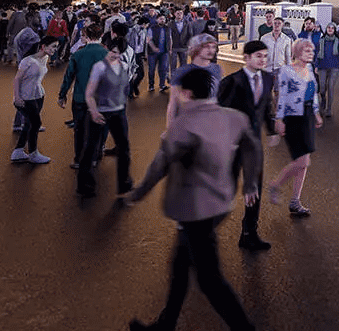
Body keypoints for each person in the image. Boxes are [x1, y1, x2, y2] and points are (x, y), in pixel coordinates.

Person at [125, 67, 260, 331]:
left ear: (186, 93)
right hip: (221, 201)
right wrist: (251, 182)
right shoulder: (234, 117)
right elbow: (252, 147)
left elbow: (159, 164)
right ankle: (166, 323)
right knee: (179, 265)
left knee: (209, 280)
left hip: (196, 209)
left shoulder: (184, 124)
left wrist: (137, 194)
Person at [217, 40, 277, 251]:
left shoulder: (268, 79)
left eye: (265, 56)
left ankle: (249, 233)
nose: (262, 60)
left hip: (253, 146)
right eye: (258, 56)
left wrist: (271, 130)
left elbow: (266, 107)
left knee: (255, 191)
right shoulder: (231, 82)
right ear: (246, 58)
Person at [267, 38, 323, 217]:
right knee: (303, 161)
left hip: (307, 116)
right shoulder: (286, 70)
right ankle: (275, 185)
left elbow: (313, 94)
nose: (311, 54)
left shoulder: (309, 69)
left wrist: (316, 113)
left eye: (312, 51)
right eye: (308, 51)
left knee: (304, 163)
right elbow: (282, 96)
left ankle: (295, 201)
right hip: (292, 117)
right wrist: (279, 119)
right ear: (298, 52)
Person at [78, 37, 135, 198]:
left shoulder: (124, 66)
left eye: (120, 53)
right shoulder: (99, 67)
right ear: (107, 48)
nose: (116, 56)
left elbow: (123, 90)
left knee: (124, 149)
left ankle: (124, 184)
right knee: (91, 149)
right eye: (114, 52)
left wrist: (123, 108)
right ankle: (84, 185)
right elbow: (89, 94)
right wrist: (94, 112)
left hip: (118, 112)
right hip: (100, 112)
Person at [58, 23, 106, 170]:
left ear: (86, 36)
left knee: (79, 129)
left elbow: (68, 76)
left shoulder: (78, 54)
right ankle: (94, 157)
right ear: (101, 36)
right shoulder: (107, 54)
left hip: (80, 96)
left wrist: (62, 95)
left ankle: (79, 159)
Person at [11, 35, 60, 164]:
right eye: (53, 46)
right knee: (35, 124)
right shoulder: (27, 61)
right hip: (26, 98)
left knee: (29, 124)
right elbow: (17, 79)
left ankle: (18, 151)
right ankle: (33, 154)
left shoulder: (45, 58)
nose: (55, 49)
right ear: (43, 46)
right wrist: (17, 97)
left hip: (38, 95)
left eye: (56, 47)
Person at [315, 22, 339, 117]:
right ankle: (323, 99)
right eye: (329, 27)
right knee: (322, 87)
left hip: (334, 67)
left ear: (334, 30)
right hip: (322, 66)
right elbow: (317, 53)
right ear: (326, 29)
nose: (330, 29)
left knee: (330, 87)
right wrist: (316, 65)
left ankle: (329, 109)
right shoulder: (321, 40)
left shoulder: (338, 41)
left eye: (332, 28)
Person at [146, 14, 171, 92]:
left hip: (164, 52)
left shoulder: (167, 28)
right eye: (160, 19)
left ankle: (162, 85)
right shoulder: (152, 28)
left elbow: (170, 39)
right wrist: (154, 48)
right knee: (151, 70)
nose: (162, 20)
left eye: (163, 19)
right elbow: (148, 40)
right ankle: (151, 85)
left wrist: (170, 49)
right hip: (152, 53)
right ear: (157, 20)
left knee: (163, 69)